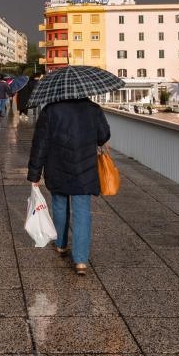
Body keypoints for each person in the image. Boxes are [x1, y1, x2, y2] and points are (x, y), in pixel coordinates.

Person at [26, 96, 110, 274]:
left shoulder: (50, 110)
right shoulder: (93, 109)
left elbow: (40, 144)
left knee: (59, 205)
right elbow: (103, 136)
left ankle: (61, 244)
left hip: (57, 167)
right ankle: (80, 260)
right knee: (82, 212)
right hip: (84, 169)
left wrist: (35, 174)